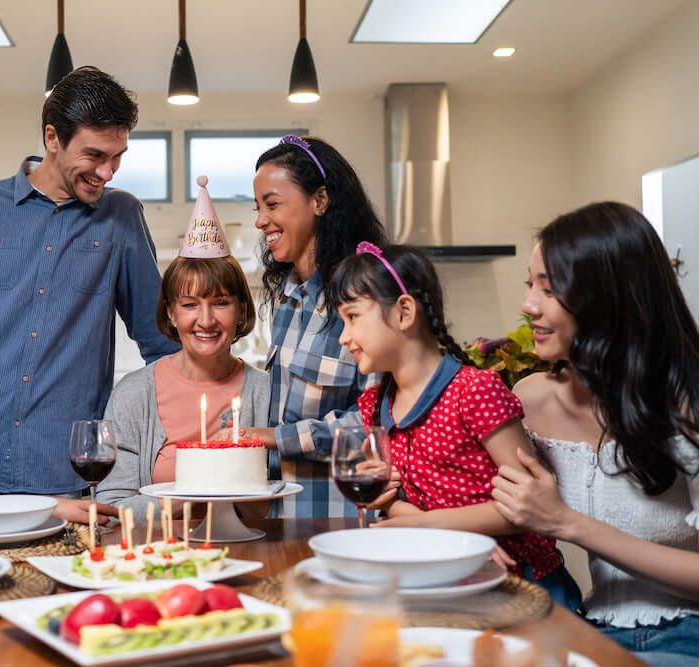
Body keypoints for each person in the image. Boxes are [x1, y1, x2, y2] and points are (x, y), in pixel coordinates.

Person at [0, 66, 178, 503]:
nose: (108, 172)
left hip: (67, 475)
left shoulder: (121, 218)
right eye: (94, 155)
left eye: (118, 157)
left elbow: (162, 342)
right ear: (52, 137)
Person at [491, 202, 699, 665]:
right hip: (591, 628)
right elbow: (492, 499)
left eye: (550, 289)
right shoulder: (532, 399)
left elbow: (555, 519)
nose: (528, 306)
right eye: (530, 285)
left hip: (688, 635)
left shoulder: (688, 405)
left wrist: (568, 523)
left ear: (610, 296)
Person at [326, 243, 582, 611]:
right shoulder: (376, 405)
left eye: (352, 317)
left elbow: (532, 506)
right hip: (445, 584)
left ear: (403, 312)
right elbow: (392, 503)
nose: (343, 337)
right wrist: (452, 535)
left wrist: (451, 533)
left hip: (519, 588)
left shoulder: (474, 393)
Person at [231, 135, 386, 518]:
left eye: (272, 204)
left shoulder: (363, 301)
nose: (260, 220)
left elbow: (374, 420)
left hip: (342, 514)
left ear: (319, 201)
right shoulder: (286, 301)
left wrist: (274, 438)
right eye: (257, 207)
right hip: (281, 511)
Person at [97, 177, 270, 518]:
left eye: (220, 303)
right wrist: (192, 497)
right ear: (171, 315)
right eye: (190, 305)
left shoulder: (267, 393)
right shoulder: (134, 394)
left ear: (241, 312)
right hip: (160, 557)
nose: (205, 320)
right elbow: (112, 503)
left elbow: (281, 496)